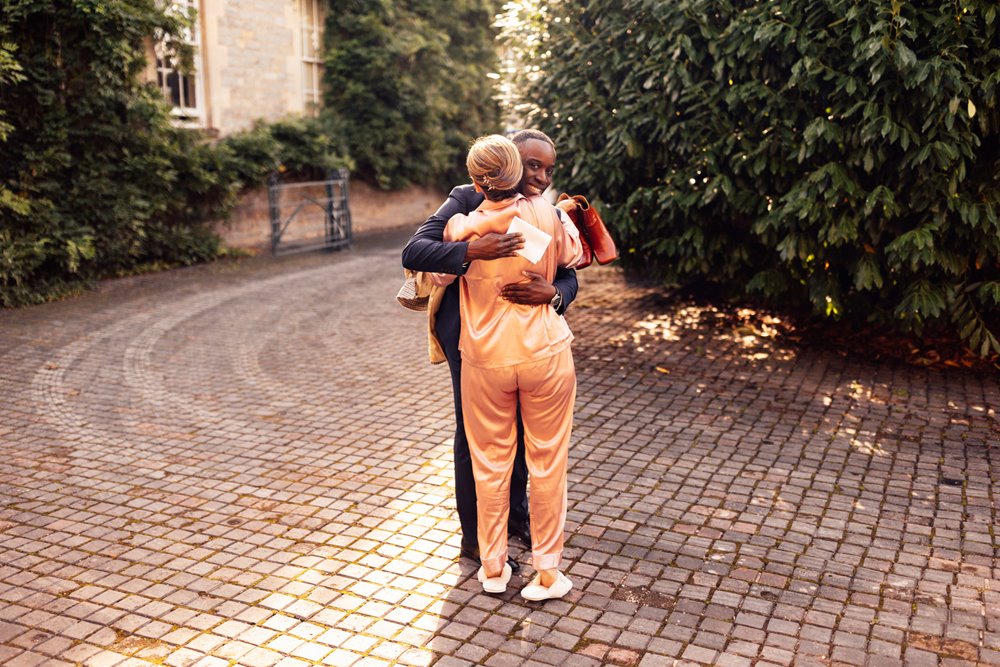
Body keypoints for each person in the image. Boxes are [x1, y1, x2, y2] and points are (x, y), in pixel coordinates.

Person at [401, 130, 578, 574]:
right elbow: (416, 249)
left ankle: (516, 520)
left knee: (522, 430)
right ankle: (476, 541)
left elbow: (566, 270)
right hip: (470, 337)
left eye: (547, 169)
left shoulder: (541, 208)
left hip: (528, 340)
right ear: (508, 162)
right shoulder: (466, 196)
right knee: (476, 439)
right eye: (532, 166)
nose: (539, 176)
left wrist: (553, 292)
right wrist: (470, 250)